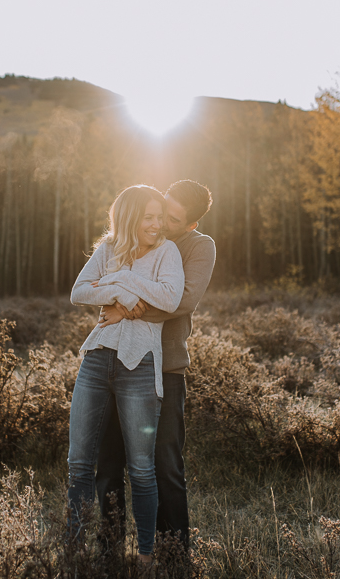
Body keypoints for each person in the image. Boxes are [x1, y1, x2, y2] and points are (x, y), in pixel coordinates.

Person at [67, 184, 185, 565]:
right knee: (80, 463)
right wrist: (121, 292)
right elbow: (79, 292)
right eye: (148, 217)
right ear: (132, 218)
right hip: (97, 360)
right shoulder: (107, 249)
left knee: (141, 467)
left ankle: (147, 555)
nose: (156, 224)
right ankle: (76, 551)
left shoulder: (168, 251)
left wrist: (120, 283)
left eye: (158, 217)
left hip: (139, 365)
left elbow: (169, 298)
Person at [95, 180, 215, 552]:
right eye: (163, 207)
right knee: (109, 464)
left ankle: (173, 556)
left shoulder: (199, 246)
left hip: (165, 368)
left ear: (190, 225)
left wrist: (126, 308)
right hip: (116, 362)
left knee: (165, 466)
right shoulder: (138, 231)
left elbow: (183, 300)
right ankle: (108, 556)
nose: (161, 221)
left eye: (173, 219)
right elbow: (102, 282)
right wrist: (111, 300)